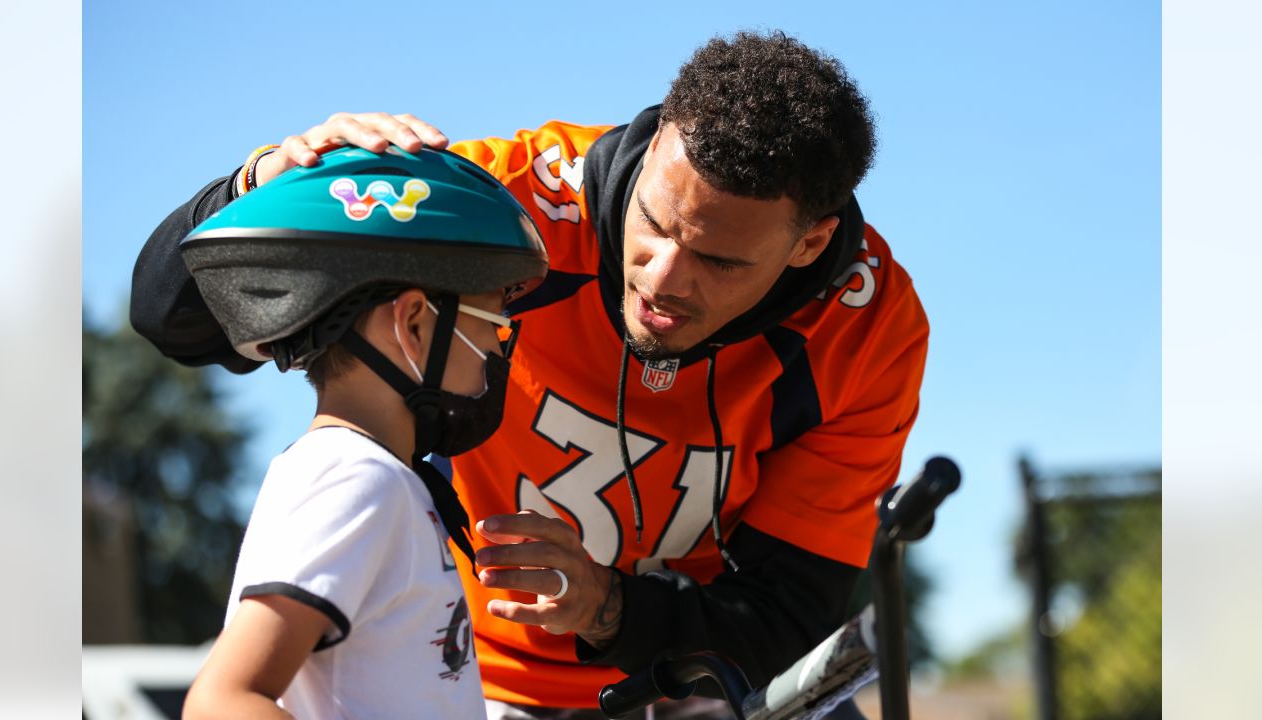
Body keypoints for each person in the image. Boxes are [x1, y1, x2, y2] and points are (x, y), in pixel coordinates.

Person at [135, 31, 928, 718]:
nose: (663, 278)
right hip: (472, 676)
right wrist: (269, 177)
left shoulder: (869, 330)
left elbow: (787, 616)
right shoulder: (505, 201)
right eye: (653, 223)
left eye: (719, 260)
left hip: (687, 667)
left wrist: (608, 606)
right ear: (653, 148)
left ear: (810, 244)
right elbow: (177, 319)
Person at [177, 146, 549, 719]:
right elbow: (223, 701)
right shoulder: (356, 478)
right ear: (415, 324)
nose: (499, 351)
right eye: (495, 321)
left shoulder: (380, 478)